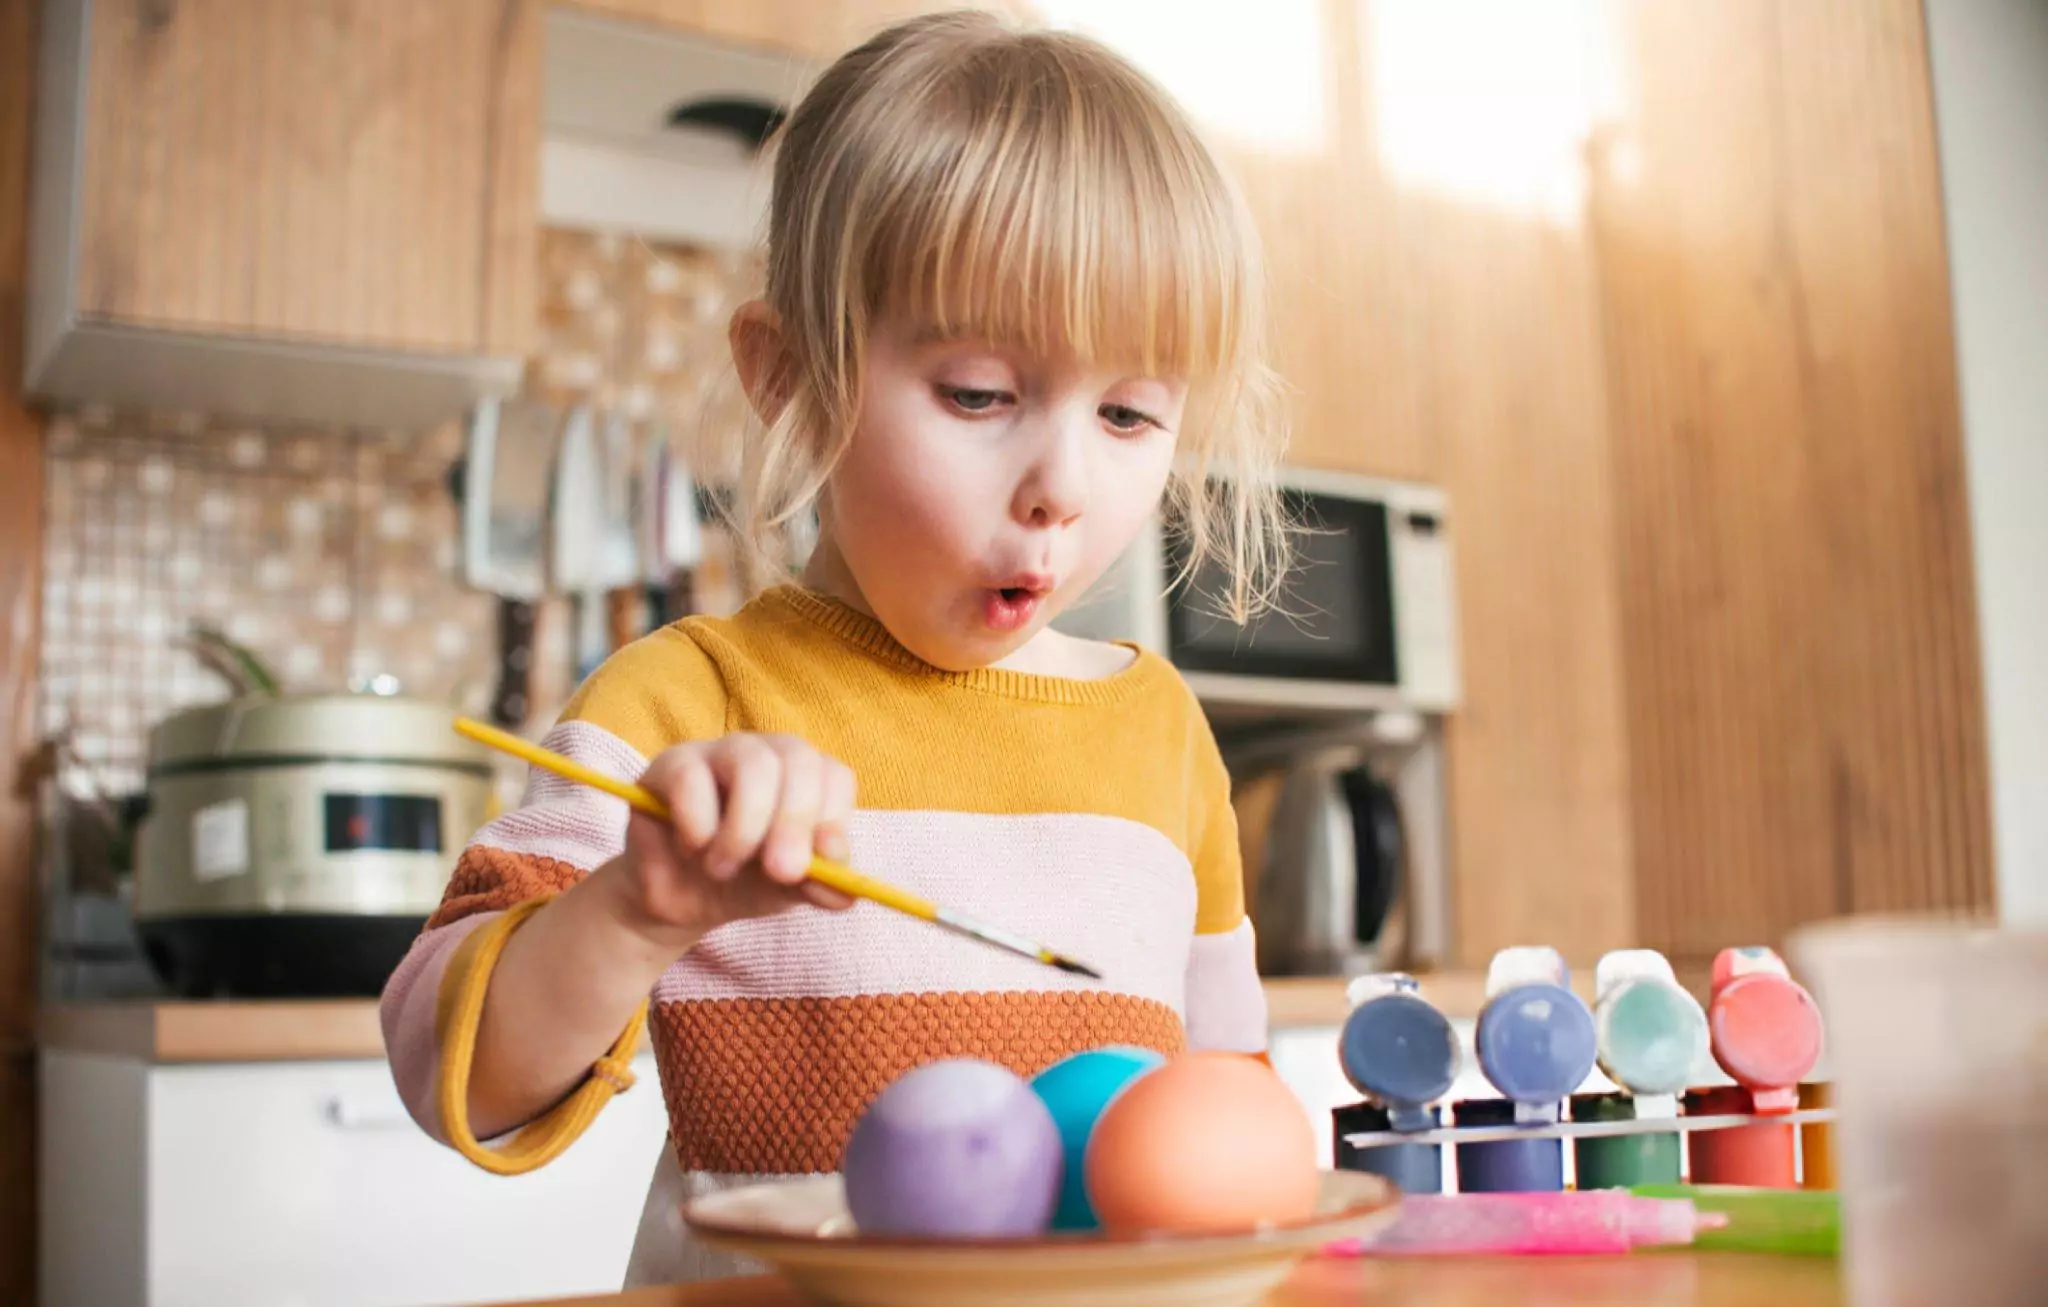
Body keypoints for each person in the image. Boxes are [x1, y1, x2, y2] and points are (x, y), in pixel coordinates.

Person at [380, 8, 1291, 1286]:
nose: (1060, 486)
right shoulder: (684, 706)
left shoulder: (1165, 738)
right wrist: (641, 903)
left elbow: (1232, 1134)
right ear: (789, 376)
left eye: (1131, 412)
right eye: (978, 392)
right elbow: (448, 1073)